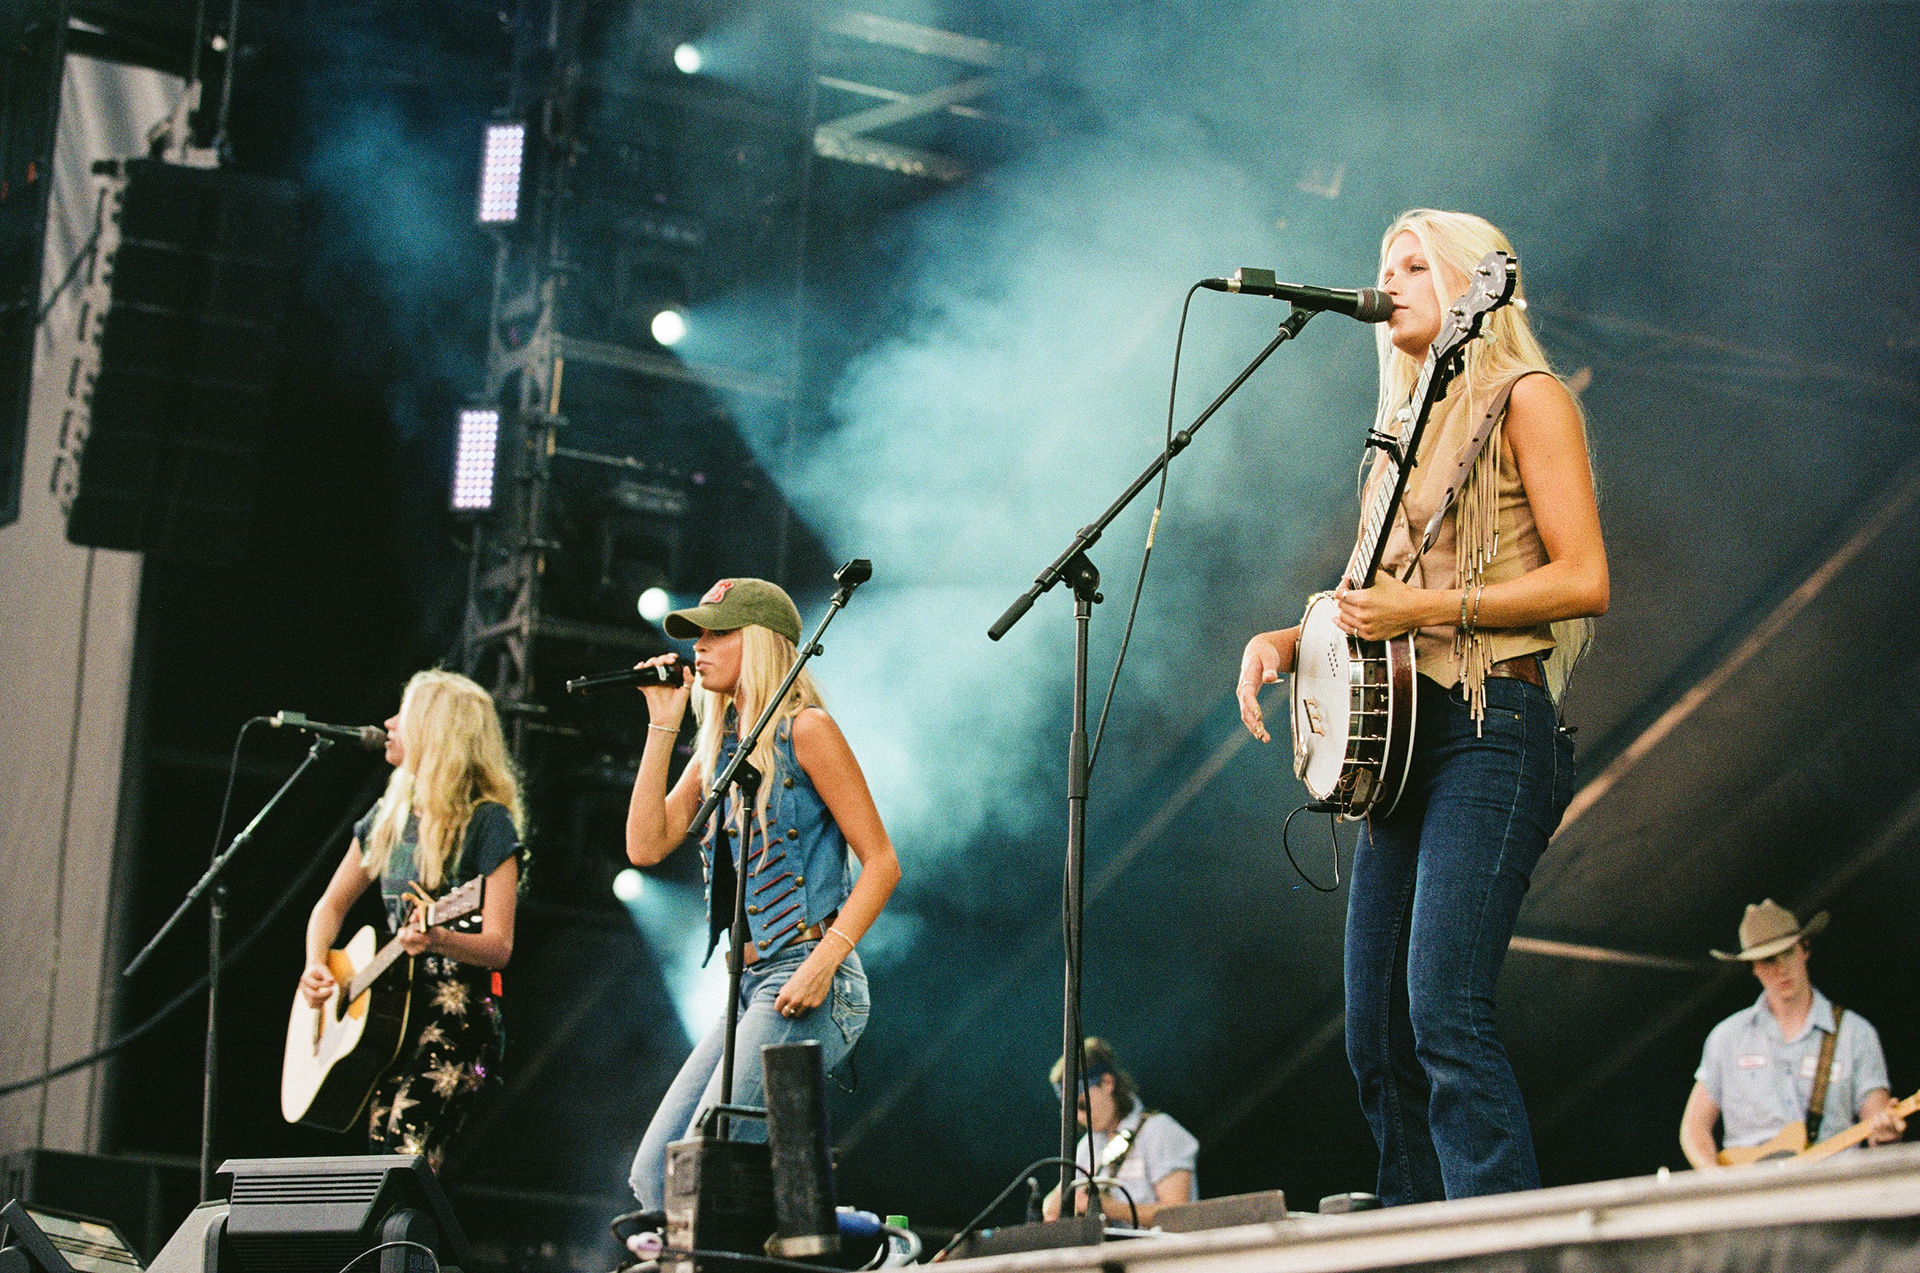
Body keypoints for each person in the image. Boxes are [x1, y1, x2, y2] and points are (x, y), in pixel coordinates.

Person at [1237, 209, 1610, 1205]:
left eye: (1413, 265)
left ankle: (1497, 1247)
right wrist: (1285, 641)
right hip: (1401, 746)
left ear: (1468, 283)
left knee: (1444, 1008)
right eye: (1385, 265)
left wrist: (1429, 609)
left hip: (1493, 727)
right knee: (1375, 1032)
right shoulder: (1396, 435)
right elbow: (1370, 597)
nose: (1390, 282)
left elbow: (1586, 578)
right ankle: (1414, 1236)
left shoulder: (1529, 398)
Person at [624, 577, 901, 1210]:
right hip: (746, 986)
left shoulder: (808, 730)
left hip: (811, 978)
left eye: (717, 634)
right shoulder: (721, 750)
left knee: (701, 1172)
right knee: (653, 1177)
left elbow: (882, 863)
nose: (699, 647)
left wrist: (823, 961)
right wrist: (662, 724)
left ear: (760, 642)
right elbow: (645, 846)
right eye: (697, 636)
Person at [298, 670, 524, 1168]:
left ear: (435, 730)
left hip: (455, 1019)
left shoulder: (487, 822)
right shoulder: (389, 815)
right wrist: (316, 963)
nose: (389, 723)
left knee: (406, 1158)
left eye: (404, 713)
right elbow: (329, 906)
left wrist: (438, 938)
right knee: (376, 1165)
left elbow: (499, 945)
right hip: (388, 1019)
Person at [1679, 900, 1905, 1168]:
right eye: (1767, 959)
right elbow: (1694, 1127)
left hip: (1832, 1184)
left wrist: (1886, 1132)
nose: (1780, 969)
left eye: (1787, 953)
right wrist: (1715, 1179)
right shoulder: (1727, 1038)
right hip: (1751, 1188)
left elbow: (1878, 1122)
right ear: (1753, 967)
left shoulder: (1856, 1033)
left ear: (1805, 948)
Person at [1041, 1039, 1198, 1227]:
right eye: (1070, 1110)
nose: (1079, 1117)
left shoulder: (1159, 1131)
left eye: (1082, 1105)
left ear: (1107, 1083)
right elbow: (1052, 1207)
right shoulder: (1089, 1146)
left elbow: (1178, 1215)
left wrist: (1109, 1207)